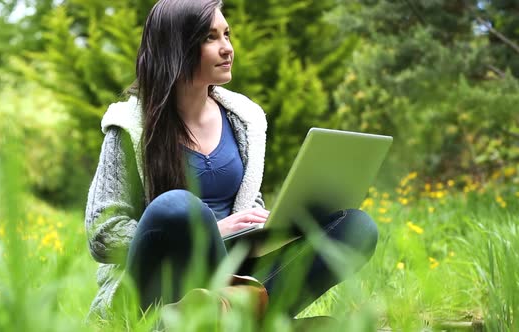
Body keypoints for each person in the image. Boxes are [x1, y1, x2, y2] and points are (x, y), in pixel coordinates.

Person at [84, 0, 378, 322]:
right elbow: (103, 231)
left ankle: (227, 317)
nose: (227, 48)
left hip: (237, 267)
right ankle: (229, 317)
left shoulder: (244, 118)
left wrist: (266, 225)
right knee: (178, 207)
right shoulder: (130, 126)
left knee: (356, 227)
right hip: (163, 281)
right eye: (211, 38)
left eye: (227, 34)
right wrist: (212, 230)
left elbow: (245, 202)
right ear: (176, 47)